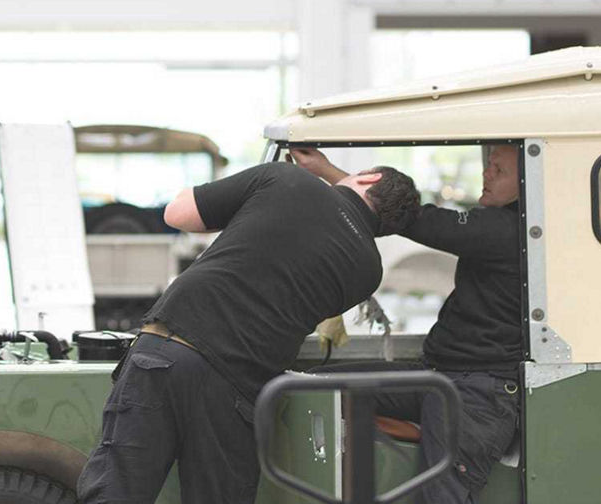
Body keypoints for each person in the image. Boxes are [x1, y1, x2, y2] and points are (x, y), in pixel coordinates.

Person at [77, 160, 422, 504]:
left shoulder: (285, 178)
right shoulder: (368, 271)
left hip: (169, 349)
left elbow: (176, 214)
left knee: (116, 492)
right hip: (237, 387)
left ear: (370, 176)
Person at [290, 144, 523, 504]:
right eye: (488, 165)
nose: (486, 174)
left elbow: (418, 220)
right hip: (440, 375)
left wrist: (328, 171)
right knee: (319, 388)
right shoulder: (500, 228)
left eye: (499, 170)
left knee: (441, 497)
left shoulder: (508, 231)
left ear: (526, 183)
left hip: (477, 392)